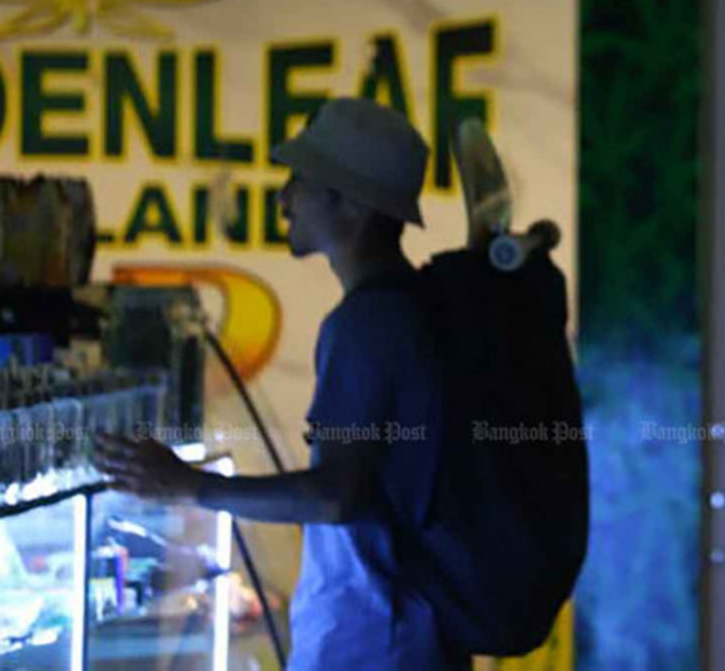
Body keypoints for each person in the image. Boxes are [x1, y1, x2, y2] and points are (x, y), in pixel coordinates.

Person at [95, 97, 464, 671]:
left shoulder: (368, 324)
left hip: (371, 647)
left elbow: (336, 494)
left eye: (300, 181)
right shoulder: (408, 311)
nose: (282, 198)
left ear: (350, 206)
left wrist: (189, 486)